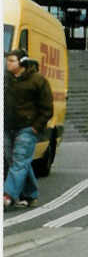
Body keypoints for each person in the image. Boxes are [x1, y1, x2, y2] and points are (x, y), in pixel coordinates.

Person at [4, 49, 53, 210]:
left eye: (11, 61)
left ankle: (7, 195)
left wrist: (35, 127)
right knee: (17, 162)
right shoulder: (6, 79)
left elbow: (47, 108)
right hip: (7, 127)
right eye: (7, 60)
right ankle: (30, 194)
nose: (7, 63)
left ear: (22, 63)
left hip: (27, 128)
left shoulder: (38, 80)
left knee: (19, 162)